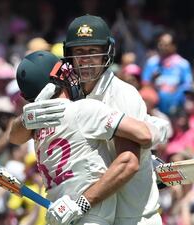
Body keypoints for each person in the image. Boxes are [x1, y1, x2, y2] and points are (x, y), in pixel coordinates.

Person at [10, 15, 170, 225]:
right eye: (80, 52)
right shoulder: (69, 95)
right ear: (69, 56)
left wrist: (81, 203)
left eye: (93, 52)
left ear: (107, 53)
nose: (86, 60)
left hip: (134, 218)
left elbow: (128, 162)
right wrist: (26, 119)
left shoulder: (121, 94)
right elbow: (15, 137)